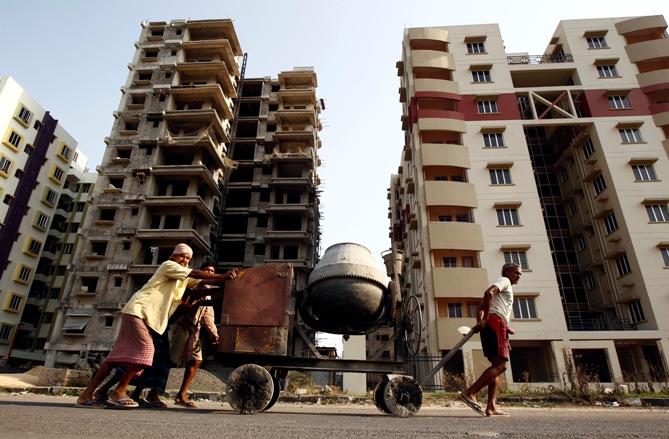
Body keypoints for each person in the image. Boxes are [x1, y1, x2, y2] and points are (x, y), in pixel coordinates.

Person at [75, 243, 236, 408]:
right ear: (173, 256)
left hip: (144, 317)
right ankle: (118, 392)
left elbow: (198, 289)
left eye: (188, 257)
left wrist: (226, 287)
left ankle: (86, 395)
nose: (185, 259)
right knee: (147, 352)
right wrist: (223, 276)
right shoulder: (168, 266)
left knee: (115, 359)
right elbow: (195, 273)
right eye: (182, 255)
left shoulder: (183, 279)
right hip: (140, 311)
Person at [459, 263, 522, 417]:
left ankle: (491, 407)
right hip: (496, 323)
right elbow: (488, 293)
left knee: (496, 367)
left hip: (494, 324)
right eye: (516, 272)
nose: (519, 275)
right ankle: (469, 393)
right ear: (507, 272)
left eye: (520, 274)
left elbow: (481, 306)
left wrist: (481, 321)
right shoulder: (504, 281)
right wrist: (486, 319)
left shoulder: (504, 290)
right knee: (502, 365)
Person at [170, 262, 220, 407]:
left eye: (212, 271)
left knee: (196, 360)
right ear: (201, 272)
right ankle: (153, 391)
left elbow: (208, 317)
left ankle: (182, 394)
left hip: (194, 330)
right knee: (171, 360)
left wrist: (214, 334)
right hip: (181, 326)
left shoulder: (209, 294)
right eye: (207, 270)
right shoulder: (192, 285)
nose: (210, 273)